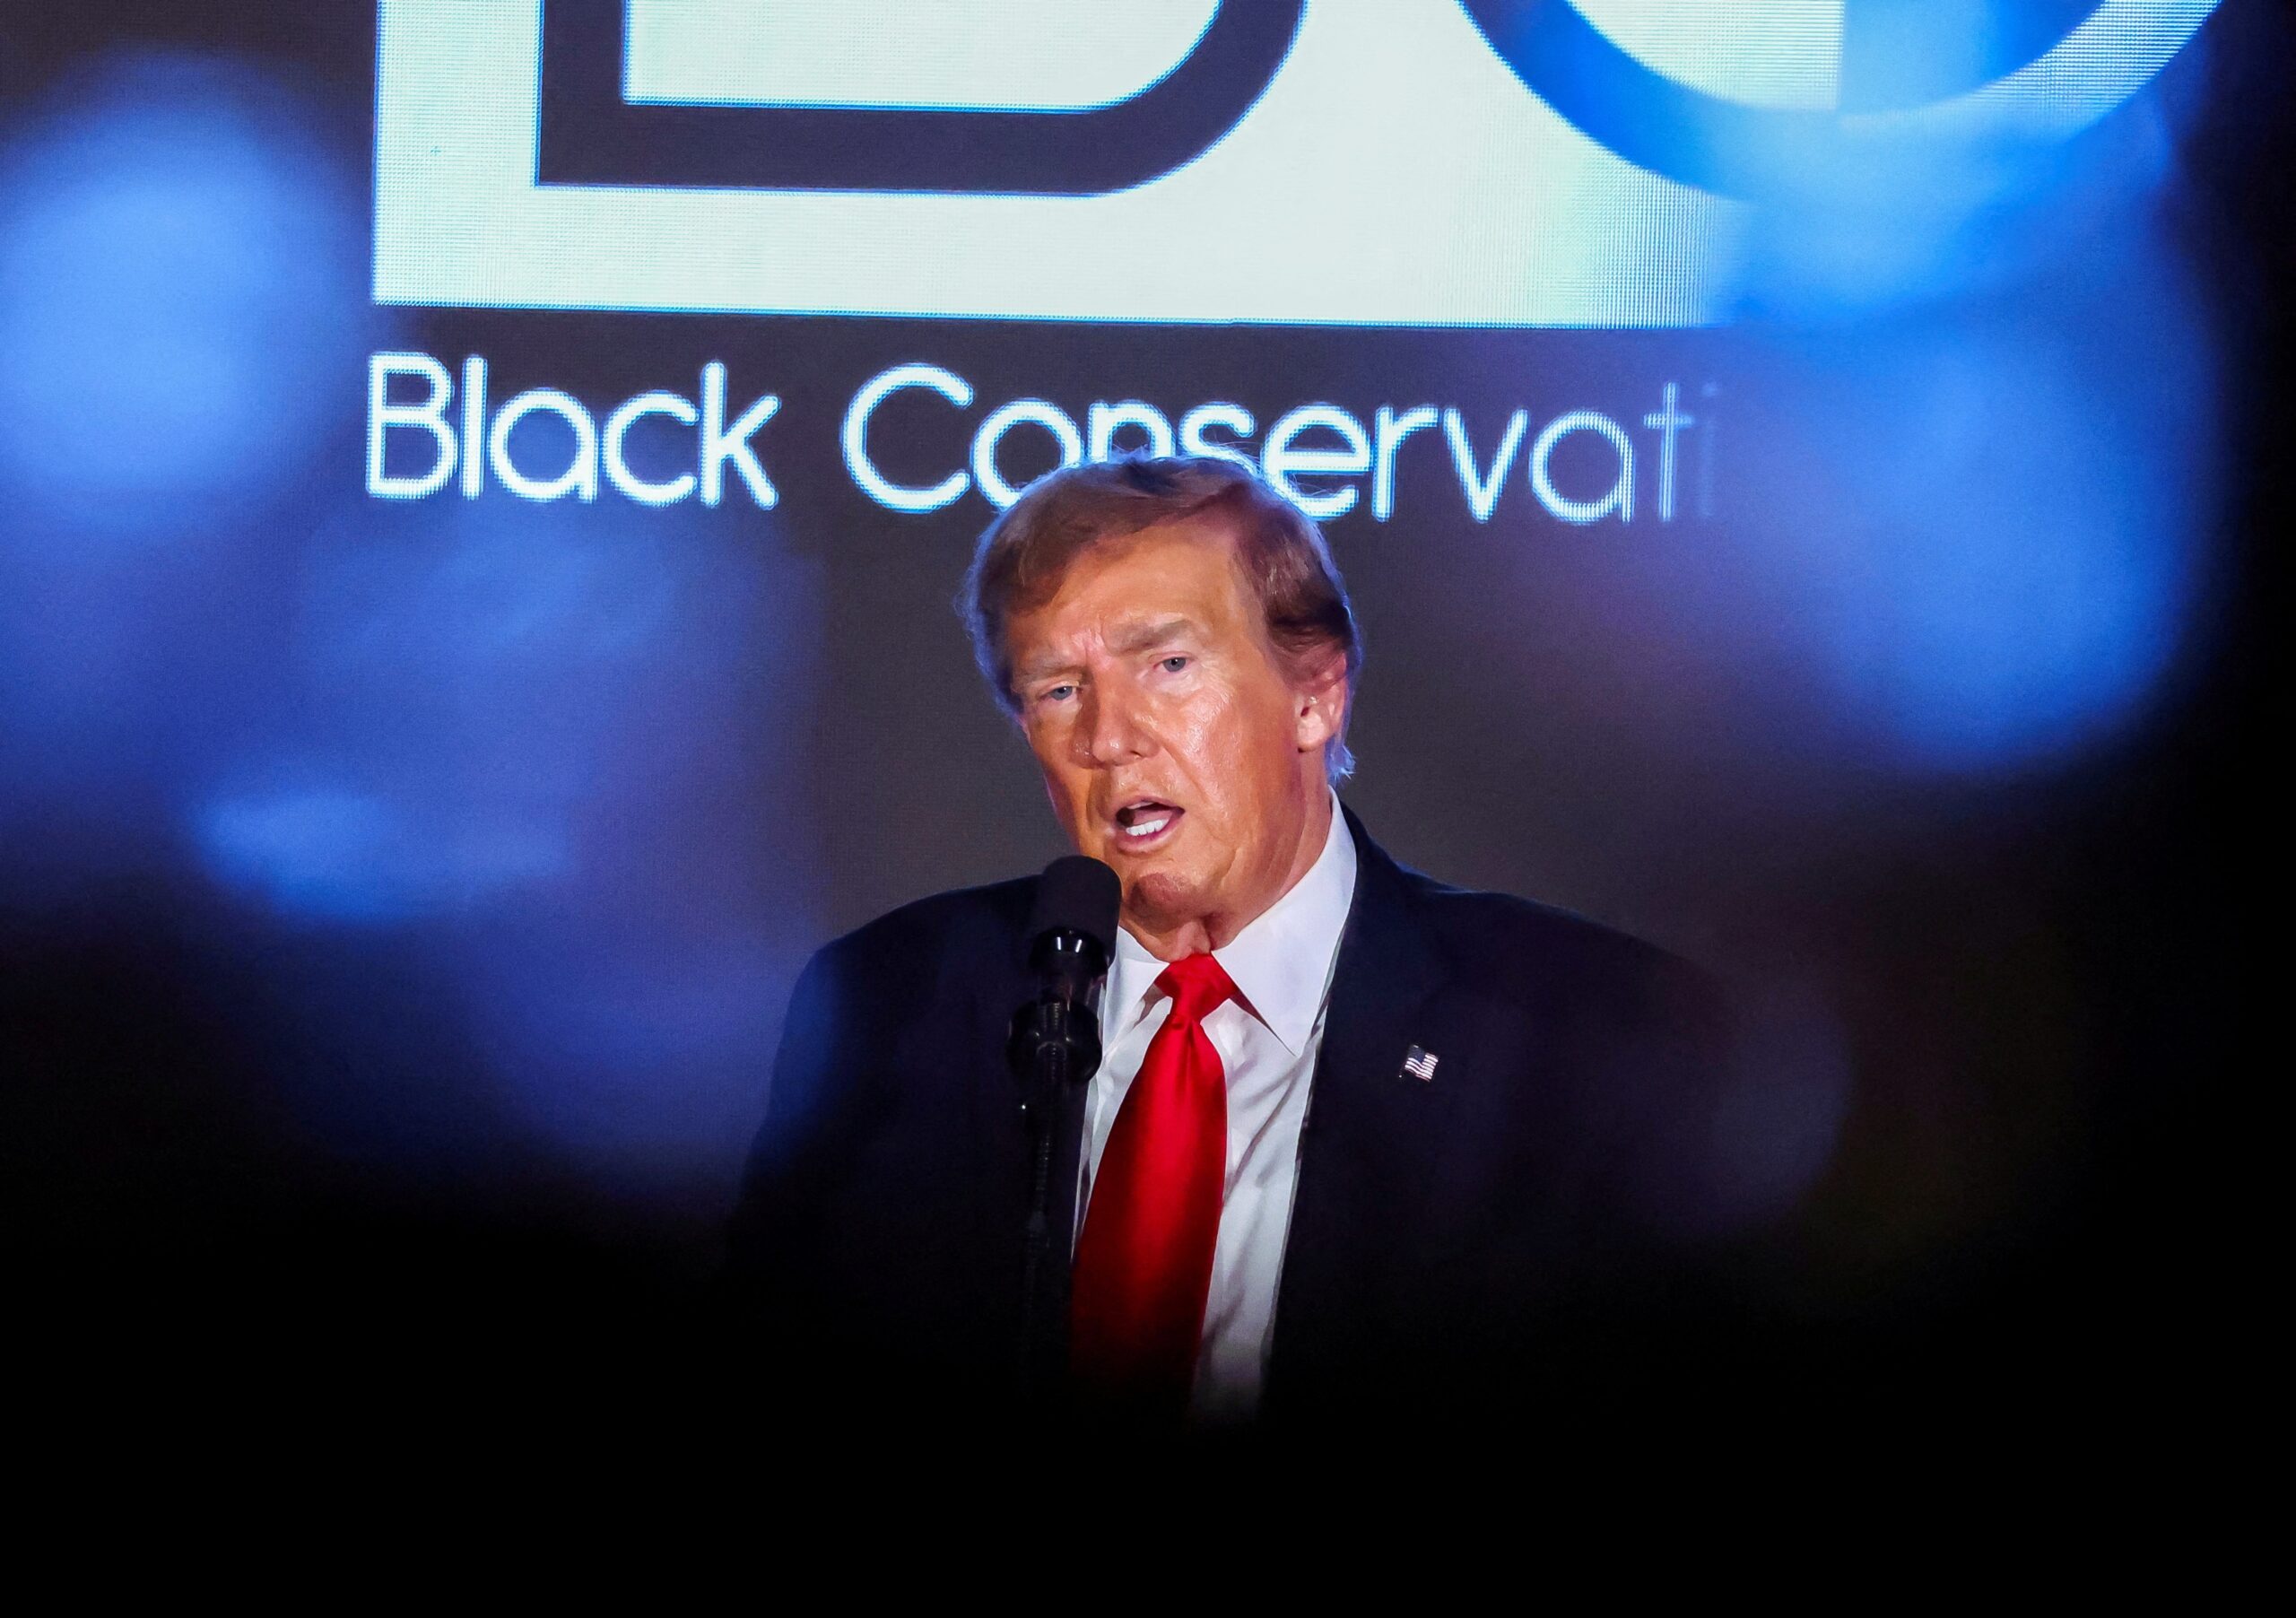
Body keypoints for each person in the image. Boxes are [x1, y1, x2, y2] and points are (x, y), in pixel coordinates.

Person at [724, 455, 1749, 1440]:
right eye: (1057, 690)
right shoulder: (893, 1003)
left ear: (1315, 695)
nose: (1110, 737)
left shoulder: (1590, 1035)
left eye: (1167, 664)